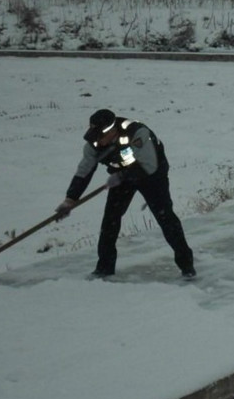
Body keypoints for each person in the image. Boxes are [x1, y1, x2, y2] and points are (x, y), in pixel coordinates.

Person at [55, 107, 195, 280]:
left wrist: (121, 176)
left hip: (152, 175)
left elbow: (149, 165)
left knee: (165, 217)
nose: (99, 141)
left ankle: (187, 265)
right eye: (95, 136)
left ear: (112, 130)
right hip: (122, 177)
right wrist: (70, 199)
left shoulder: (137, 133)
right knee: (110, 220)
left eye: (101, 136)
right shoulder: (94, 143)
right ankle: (104, 269)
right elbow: (84, 170)